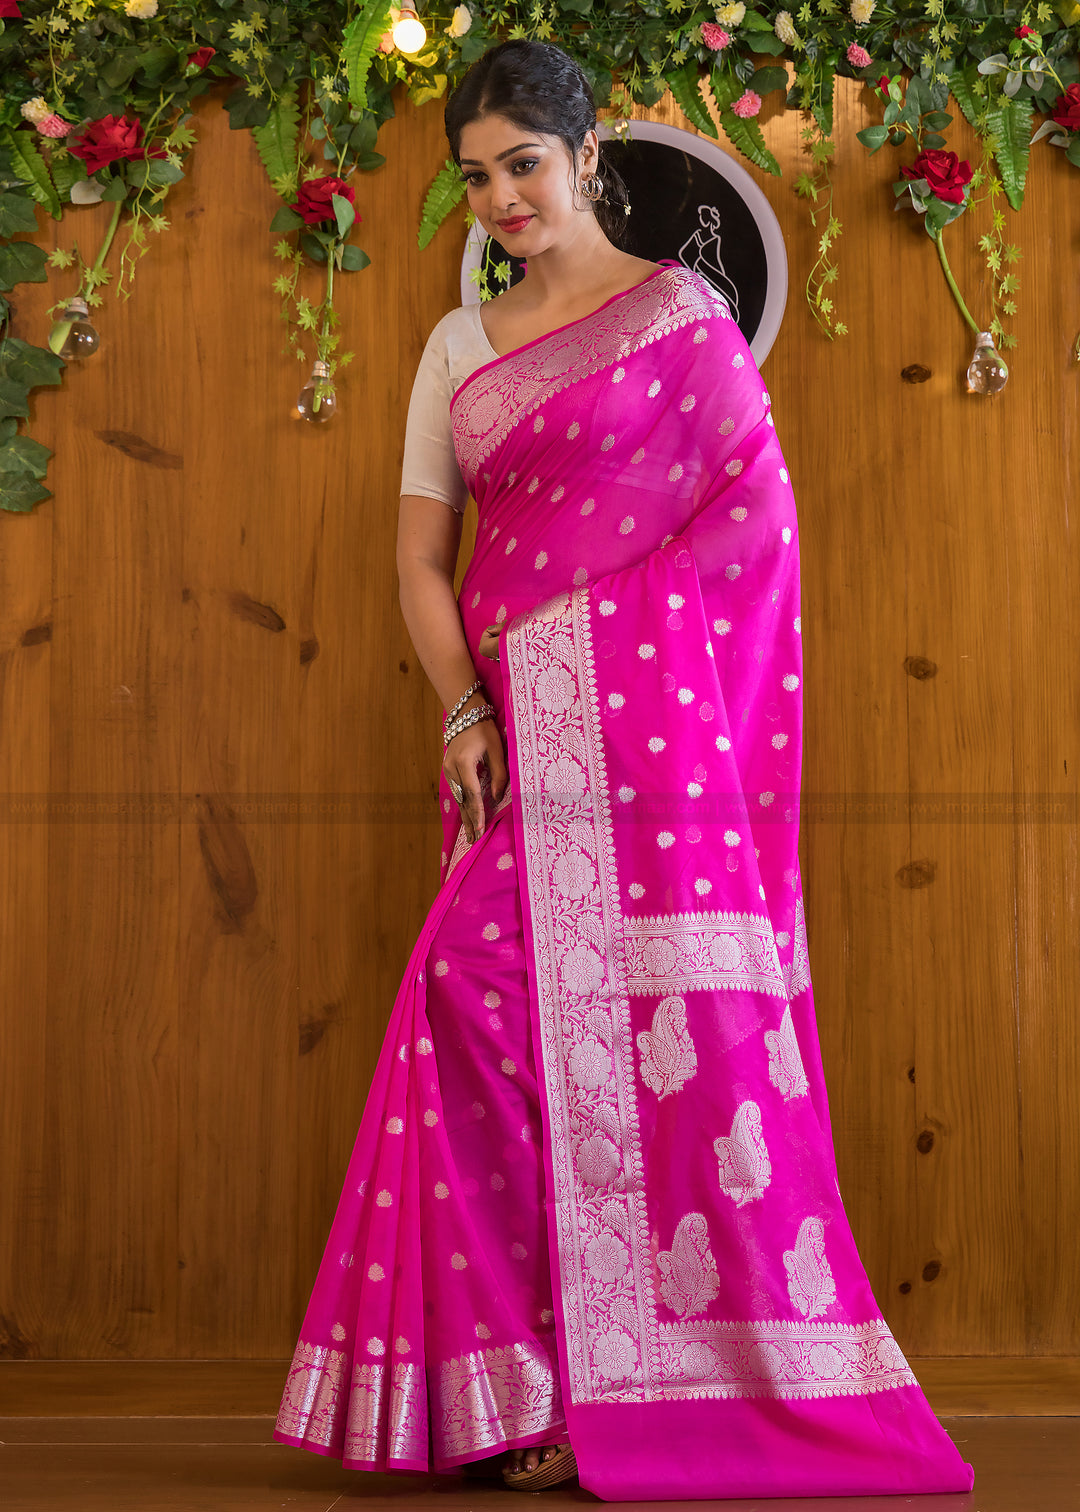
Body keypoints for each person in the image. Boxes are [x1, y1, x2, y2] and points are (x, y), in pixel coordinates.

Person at [273, 38, 976, 1503]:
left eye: (523, 164)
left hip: (657, 757)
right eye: (475, 179)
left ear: (586, 158)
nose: (502, 200)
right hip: (517, 745)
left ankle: (641, 1386)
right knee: (478, 1005)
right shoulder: (461, 345)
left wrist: (579, 648)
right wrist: (468, 707)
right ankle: (514, 1395)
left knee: (630, 1040)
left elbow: (755, 525)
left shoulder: (679, 314)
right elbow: (419, 557)